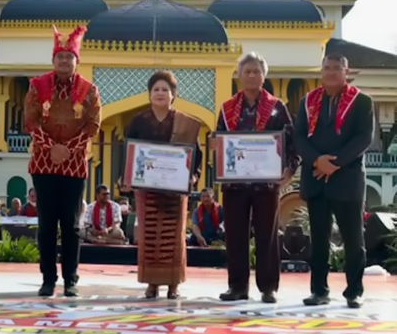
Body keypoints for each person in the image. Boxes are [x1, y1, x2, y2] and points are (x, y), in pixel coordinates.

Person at [215, 52, 299, 304]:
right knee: (235, 234)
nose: (251, 75)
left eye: (256, 71)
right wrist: (215, 145)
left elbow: (291, 141)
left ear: (264, 76)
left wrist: (289, 170)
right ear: (239, 75)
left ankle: (268, 287)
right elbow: (219, 137)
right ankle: (237, 286)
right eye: (247, 71)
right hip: (235, 183)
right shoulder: (227, 108)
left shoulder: (277, 107)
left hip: (267, 183)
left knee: (268, 234)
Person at [24, 25, 101, 297]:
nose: (65, 61)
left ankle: (71, 279)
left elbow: (93, 126)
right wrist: (51, 148)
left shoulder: (89, 90)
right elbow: (30, 122)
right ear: (53, 59)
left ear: (76, 60)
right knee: (46, 225)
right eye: (60, 56)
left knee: (72, 225)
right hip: (43, 166)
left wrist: (67, 149)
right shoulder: (37, 86)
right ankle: (48, 279)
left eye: (70, 57)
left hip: (74, 165)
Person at [294, 53, 373, 309]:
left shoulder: (361, 102)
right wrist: (318, 161)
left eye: (336, 68)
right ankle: (319, 290)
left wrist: (334, 164)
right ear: (321, 70)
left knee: (353, 239)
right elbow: (299, 138)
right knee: (318, 239)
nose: (330, 72)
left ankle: (354, 291)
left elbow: (363, 138)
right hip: (316, 177)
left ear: (346, 71)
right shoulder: (308, 101)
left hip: (347, 179)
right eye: (326, 67)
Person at [121, 70, 202, 299]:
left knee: (173, 238)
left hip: (175, 192)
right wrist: (125, 177)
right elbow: (127, 149)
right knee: (149, 238)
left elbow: (196, 154)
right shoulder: (138, 121)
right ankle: (152, 284)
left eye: (165, 89)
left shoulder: (183, 123)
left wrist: (193, 175)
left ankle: (173, 285)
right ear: (149, 94)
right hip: (147, 192)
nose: (160, 93)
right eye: (156, 89)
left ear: (173, 94)